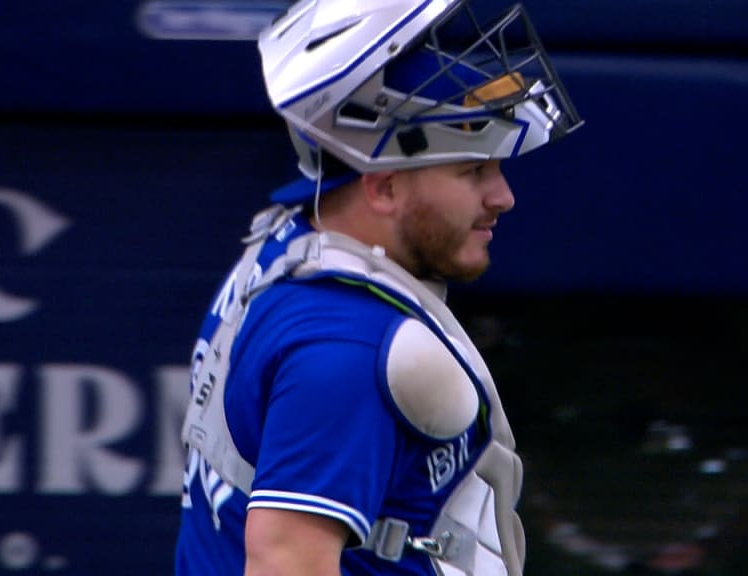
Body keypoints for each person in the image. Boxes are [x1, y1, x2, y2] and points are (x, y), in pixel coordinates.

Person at [174, 0, 582, 574]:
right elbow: (285, 563)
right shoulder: (350, 349)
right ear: (384, 188)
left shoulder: (286, 250)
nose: (503, 197)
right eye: (473, 171)